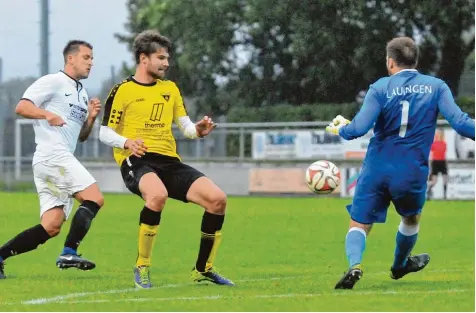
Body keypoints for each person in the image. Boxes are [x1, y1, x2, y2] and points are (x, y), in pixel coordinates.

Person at [325, 36, 475, 289]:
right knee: (411, 219)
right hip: (411, 171)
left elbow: (359, 128)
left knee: (360, 222)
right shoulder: (436, 86)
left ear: (390, 62)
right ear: (415, 60)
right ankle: (399, 265)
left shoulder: (380, 88)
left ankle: (355, 265)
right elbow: (460, 122)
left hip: (377, 168)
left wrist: (341, 129)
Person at [99, 30, 234, 288]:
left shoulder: (170, 89)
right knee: (157, 196)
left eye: (167, 58)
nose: (166, 63)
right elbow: (104, 132)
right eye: (161, 57)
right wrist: (126, 142)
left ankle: (203, 269)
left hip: (169, 161)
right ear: (143, 59)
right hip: (136, 159)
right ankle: (142, 266)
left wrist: (198, 130)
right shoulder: (123, 90)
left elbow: (185, 126)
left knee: (218, 200)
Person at [0, 40, 104, 279]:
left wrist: (90, 119)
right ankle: (70, 252)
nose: (91, 62)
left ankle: (0, 256)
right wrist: (47, 114)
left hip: (54, 160)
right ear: (70, 59)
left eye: (92, 58)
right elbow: (22, 106)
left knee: (51, 226)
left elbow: (82, 137)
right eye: (86, 57)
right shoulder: (53, 81)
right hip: (53, 156)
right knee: (94, 197)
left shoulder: (81, 93)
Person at [427, 129, 448, 199]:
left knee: (445, 178)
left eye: (441, 134)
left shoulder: (444, 143)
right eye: (439, 133)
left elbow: (443, 153)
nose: (440, 135)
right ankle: (428, 190)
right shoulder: (433, 144)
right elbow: (430, 151)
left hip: (442, 162)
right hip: (435, 162)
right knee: (434, 181)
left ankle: (445, 195)